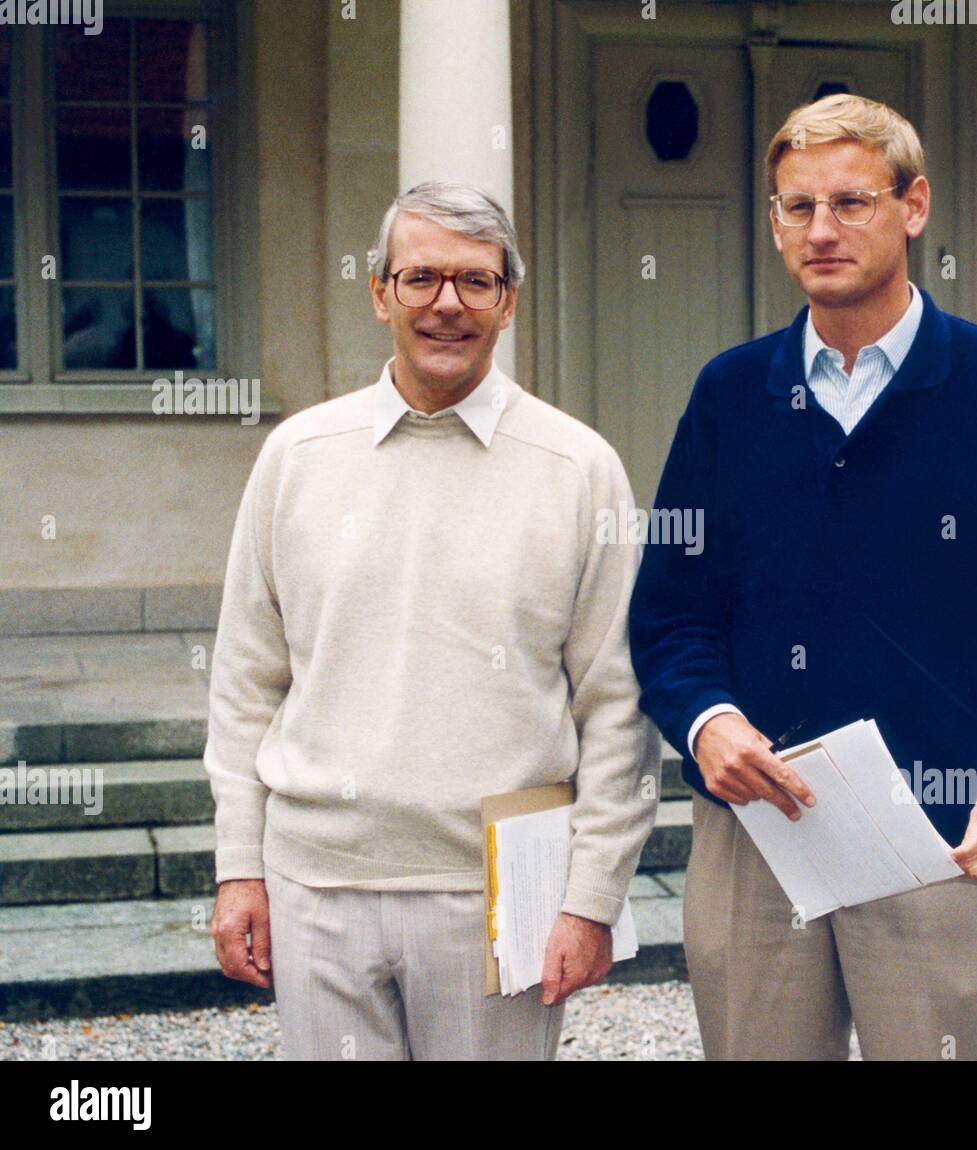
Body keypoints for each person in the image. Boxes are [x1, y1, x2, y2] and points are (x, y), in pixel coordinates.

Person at [628, 93, 977, 1061]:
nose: (821, 230)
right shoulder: (730, 394)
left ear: (914, 205)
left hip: (946, 826)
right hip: (758, 830)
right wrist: (705, 720)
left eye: (851, 202)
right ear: (772, 222)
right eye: (796, 207)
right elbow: (669, 614)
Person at [204, 180, 660, 1060]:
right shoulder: (297, 458)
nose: (446, 304)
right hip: (317, 885)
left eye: (475, 281)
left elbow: (616, 706)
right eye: (420, 279)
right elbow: (243, 684)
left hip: (500, 891)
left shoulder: (578, 469)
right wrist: (239, 868)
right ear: (379, 293)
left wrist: (592, 896)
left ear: (508, 301)